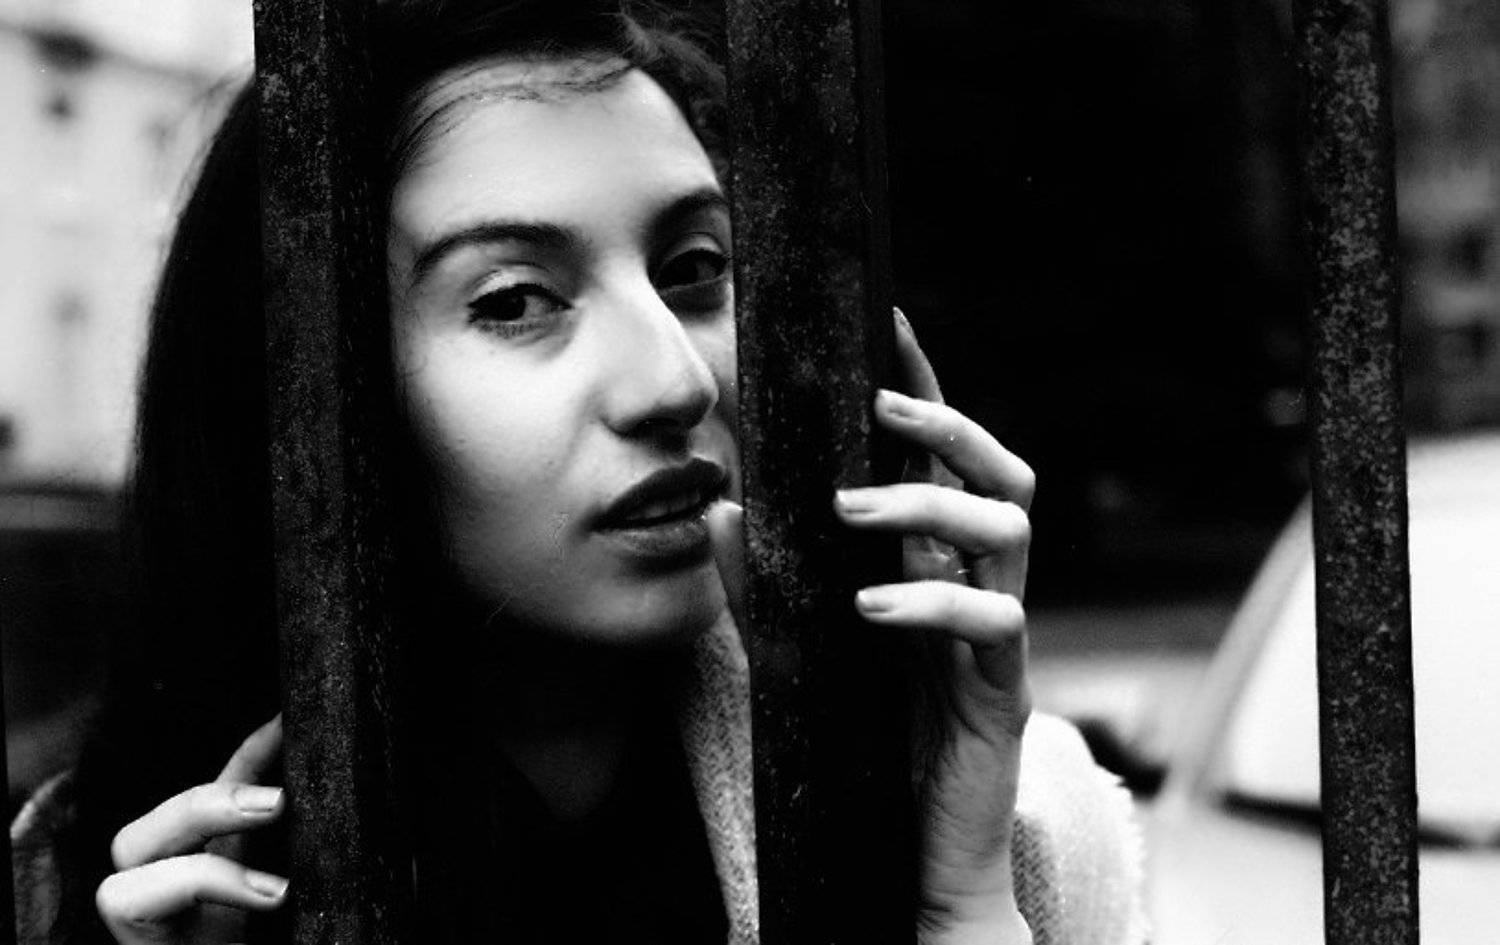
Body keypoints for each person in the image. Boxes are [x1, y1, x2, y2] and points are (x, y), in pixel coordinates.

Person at [11, 2, 1146, 943]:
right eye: (515, 300)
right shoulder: (111, 884)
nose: (674, 381)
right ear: (308, 386)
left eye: (694, 268)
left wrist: (957, 906)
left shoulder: (1012, 814)